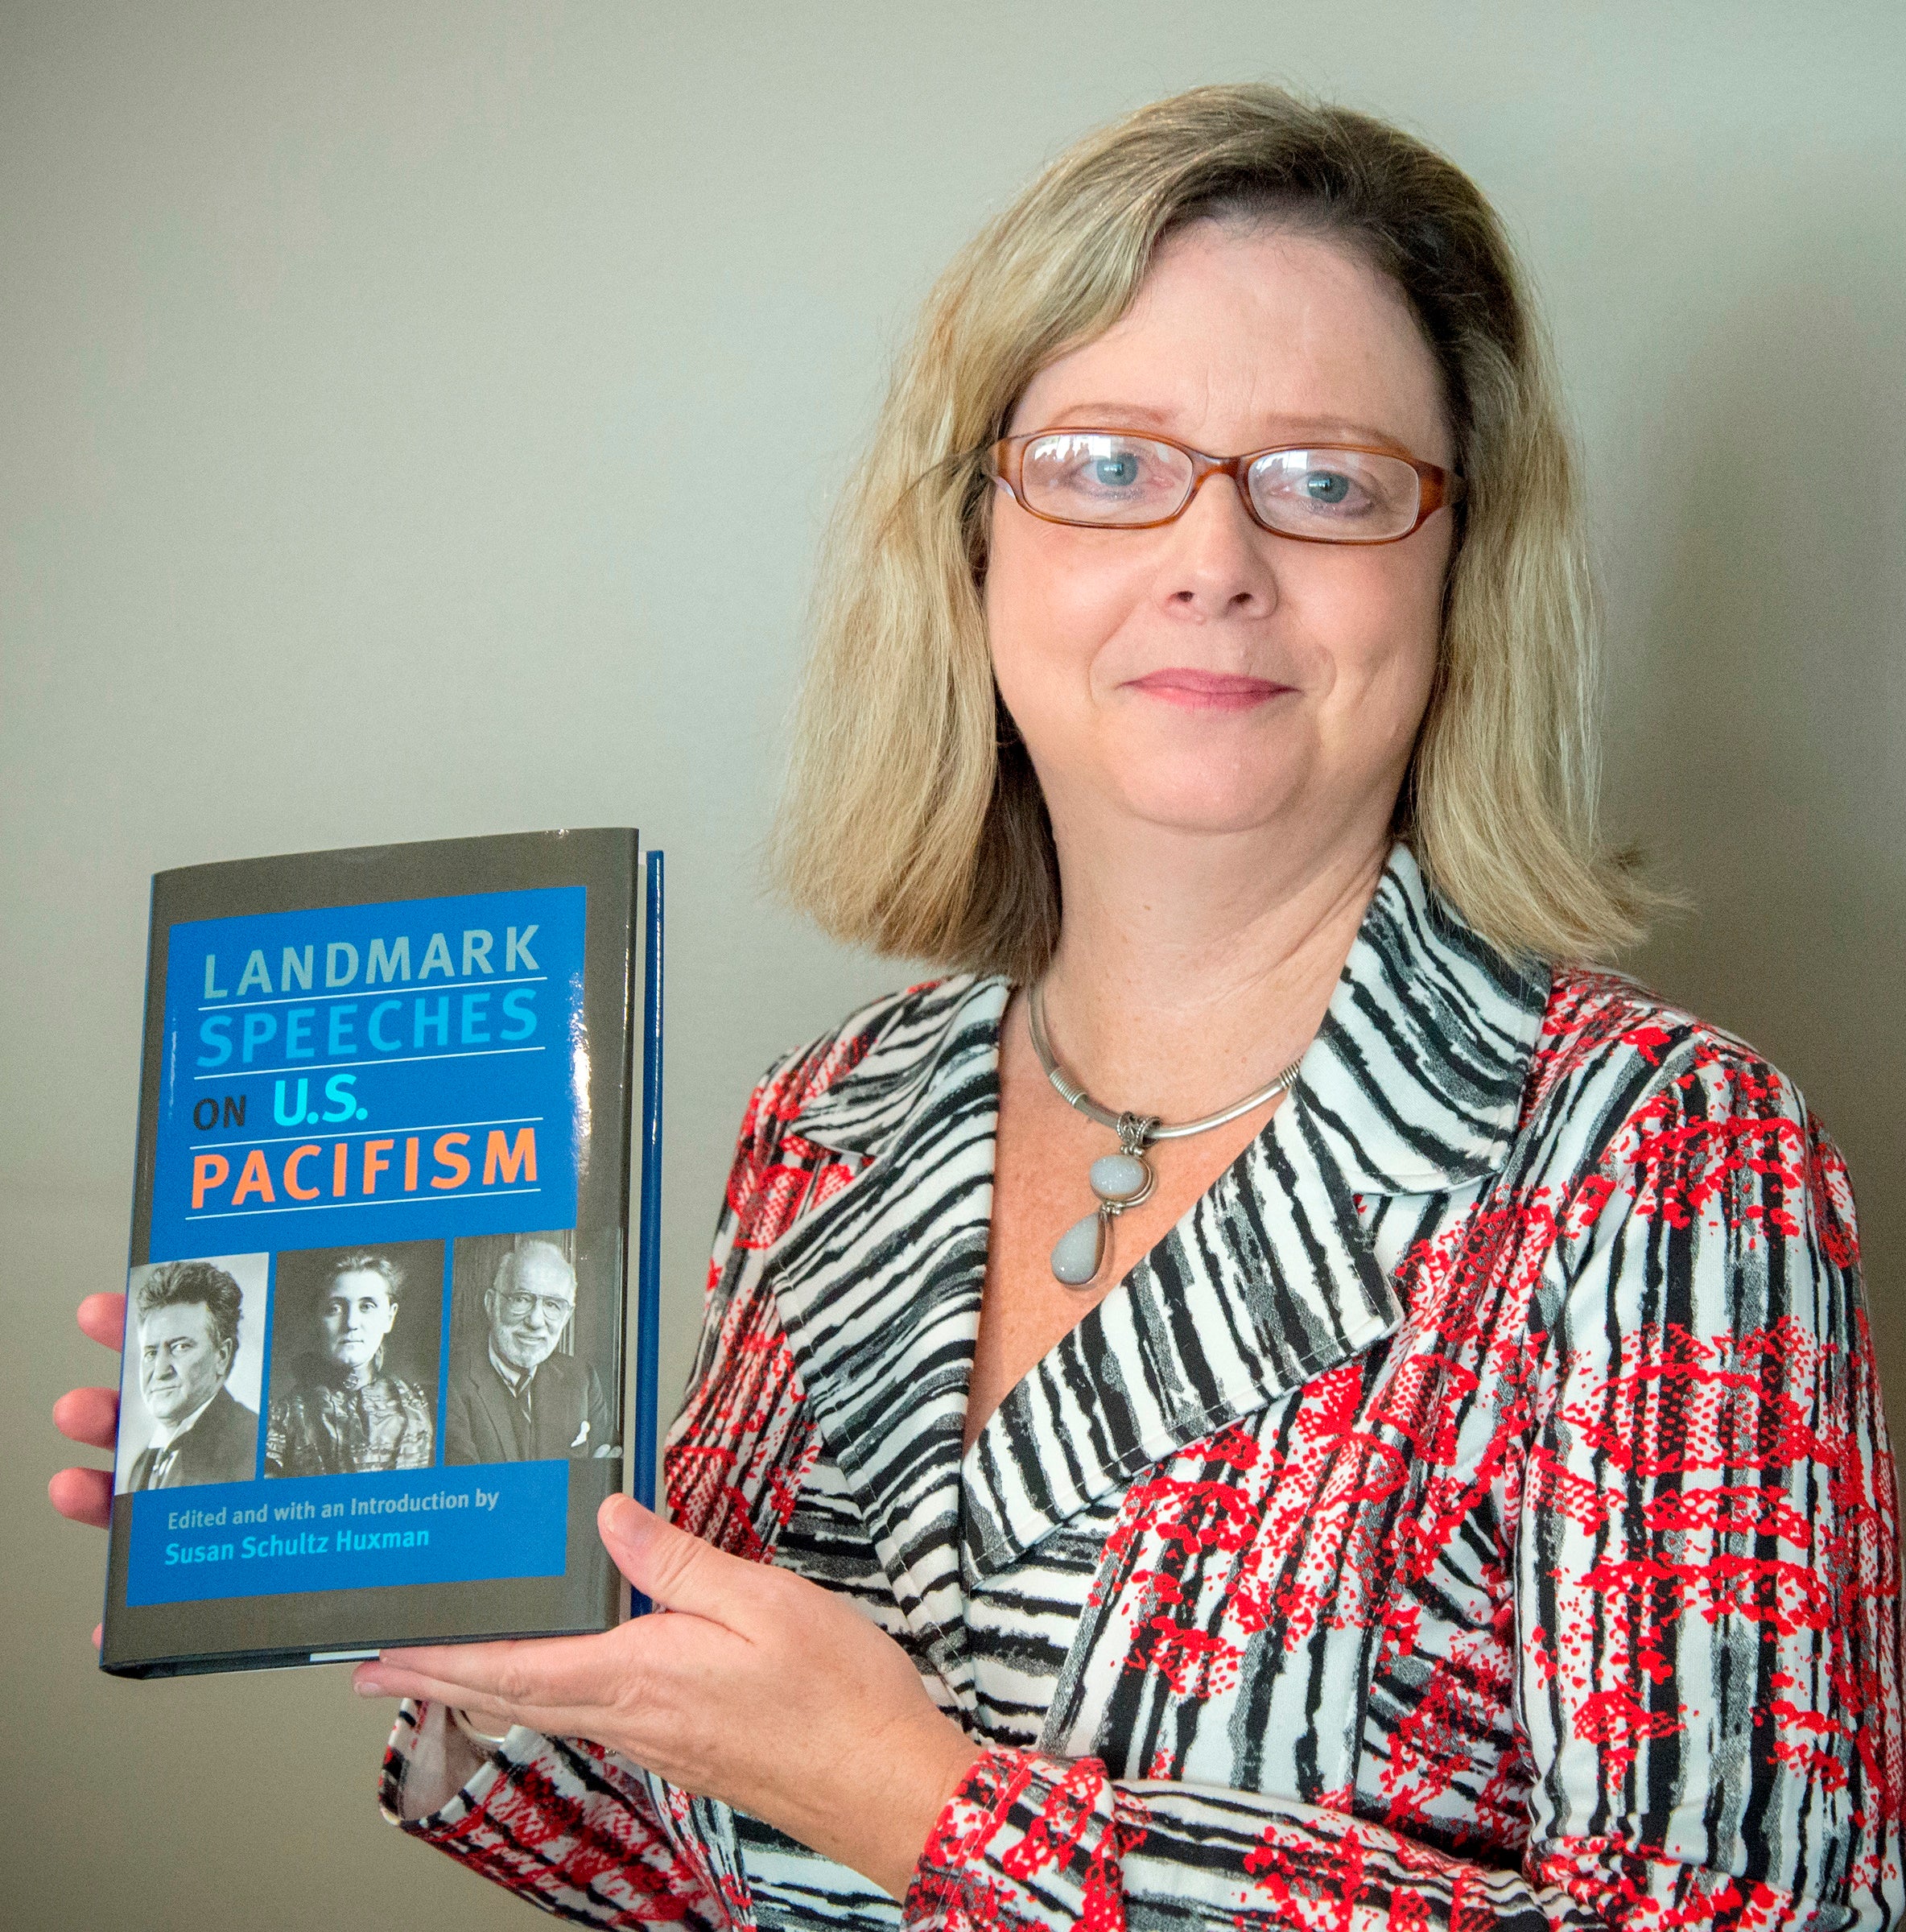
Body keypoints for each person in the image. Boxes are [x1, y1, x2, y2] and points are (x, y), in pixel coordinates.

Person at [52, 85, 1900, 1930]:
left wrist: (904, 1788)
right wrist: (434, 1593)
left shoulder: (1657, 1155)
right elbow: (739, 1865)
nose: (1213, 557)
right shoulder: (829, 1122)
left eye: (1327, 481)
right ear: (973, 540)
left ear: (1456, 566)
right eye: (1108, 462)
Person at [264, 1251, 434, 1477]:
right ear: (318, 1317)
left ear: (390, 1317)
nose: (351, 1323)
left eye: (367, 1306)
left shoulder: (425, 1405)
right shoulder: (280, 1416)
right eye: (335, 1308)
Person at [443, 1239, 614, 1463]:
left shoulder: (581, 1378)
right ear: (491, 1303)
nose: (535, 1321)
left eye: (552, 1305)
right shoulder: (450, 1381)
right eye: (521, 1299)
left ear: (567, 1317)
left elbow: (612, 1463)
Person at [122, 1260, 257, 1490]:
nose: (161, 1371)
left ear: (221, 1356)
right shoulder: (143, 1464)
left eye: (180, 1347)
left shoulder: (251, 1445)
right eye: (151, 1352)